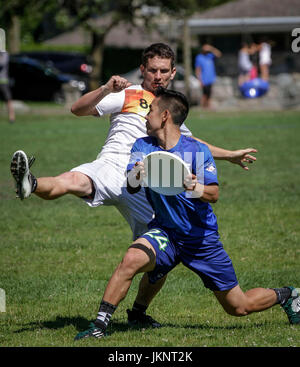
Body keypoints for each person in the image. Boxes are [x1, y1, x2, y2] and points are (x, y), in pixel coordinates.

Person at [10, 43, 257, 329]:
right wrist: (105, 88)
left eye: (164, 71)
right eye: (152, 70)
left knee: (160, 254)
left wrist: (230, 155)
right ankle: (32, 183)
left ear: (173, 72)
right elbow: (77, 109)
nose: (158, 76)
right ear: (143, 69)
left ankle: (138, 312)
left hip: (145, 187)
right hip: (114, 166)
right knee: (74, 180)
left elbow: (193, 144)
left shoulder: (169, 108)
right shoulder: (128, 94)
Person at [74, 87, 299, 340]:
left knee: (238, 306)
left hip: (200, 238)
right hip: (166, 232)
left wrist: (189, 185)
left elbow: (213, 194)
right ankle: (100, 326)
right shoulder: (143, 145)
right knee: (131, 260)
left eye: (150, 111)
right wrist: (137, 173)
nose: (145, 116)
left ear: (165, 116)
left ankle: (287, 295)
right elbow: (130, 185)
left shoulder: (195, 151)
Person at [194, 43, 222, 109]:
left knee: (209, 94)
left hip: (211, 78)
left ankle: (208, 106)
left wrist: (211, 48)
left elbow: (219, 54)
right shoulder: (199, 57)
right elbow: (198, 69)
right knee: (205, 94)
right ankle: (203, 106)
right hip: (204, 79)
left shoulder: (210, 56)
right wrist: (199, 80)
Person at [0, 50, 15, 123]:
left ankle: (12, 118)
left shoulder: (4, 54)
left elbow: (2, 63)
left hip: (3, 81)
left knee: (8, 99)